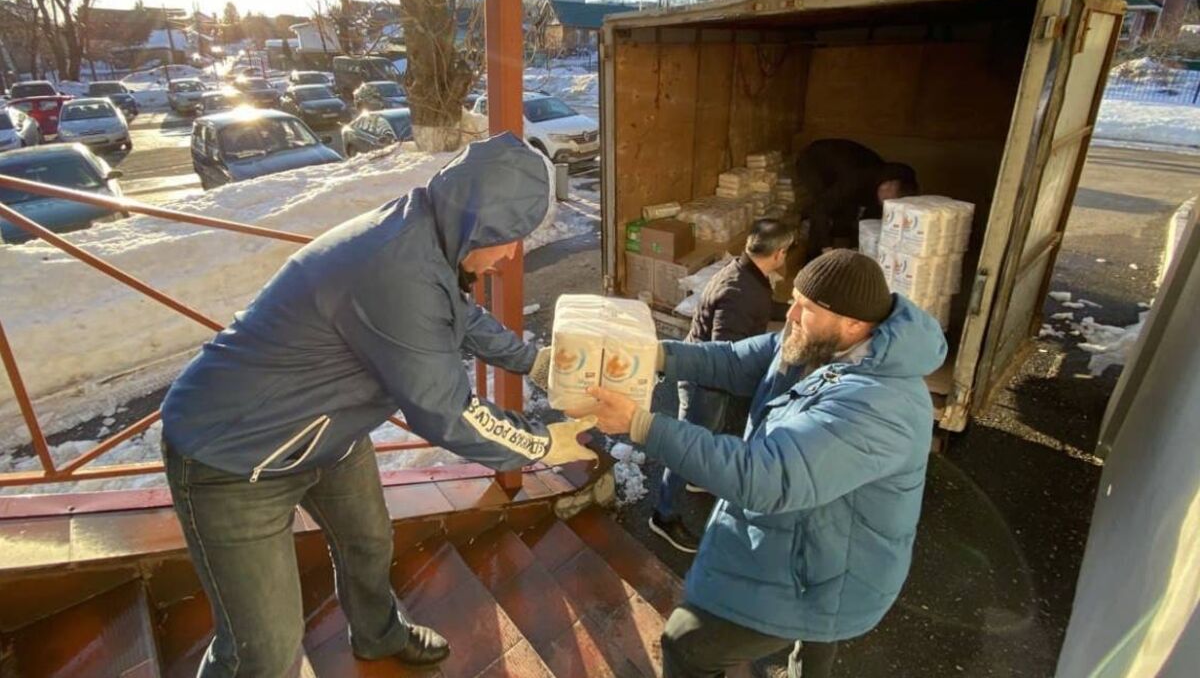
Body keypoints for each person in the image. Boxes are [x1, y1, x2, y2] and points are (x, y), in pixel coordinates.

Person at [160, 133, 597, 676]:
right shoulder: (398, 266)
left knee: (368, 542)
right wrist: (539, 442)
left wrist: (531, 360)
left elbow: (454, 317)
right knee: (262, 649)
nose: (511, 254)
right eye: (508, 238)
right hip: (232, 453)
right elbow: (445, 409)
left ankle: (377, 634)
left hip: (325, 434)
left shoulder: (425, 230)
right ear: (477, 222)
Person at [577, 250, 947, 678]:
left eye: (806, 308)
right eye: (793, 299)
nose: (790, 314)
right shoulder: (821, 344)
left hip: (827, 574)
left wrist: (642, 424)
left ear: (854, 324)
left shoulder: (876, 406)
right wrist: (653, 356)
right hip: (813, 543)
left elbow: (764, 477)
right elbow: (732, 361)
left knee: (687, 642)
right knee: (813, 652)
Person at [650, 218, 794, 554]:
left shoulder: (746, 273)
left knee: (705, 435)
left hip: (704, 373)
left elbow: (759, 303)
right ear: (779, 254)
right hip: (705, 380)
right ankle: (664, 513)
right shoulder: (739, 293)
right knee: (689, 445)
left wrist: (797, 311)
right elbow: (722, 356)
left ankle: (699, 479)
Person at [793, 138, 918, 259]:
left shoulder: (895, 187)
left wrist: (858, 248)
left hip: (845, 168)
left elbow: (868, 222)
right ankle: (814, 259)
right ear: (887, 184)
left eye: (887, 201)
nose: (885, 193)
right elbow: (820, 209)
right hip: (814, 159)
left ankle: (844, 248)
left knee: (848, 209)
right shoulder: (857, 179)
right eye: (886, 196)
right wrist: (827, 249)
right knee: (826, 205)